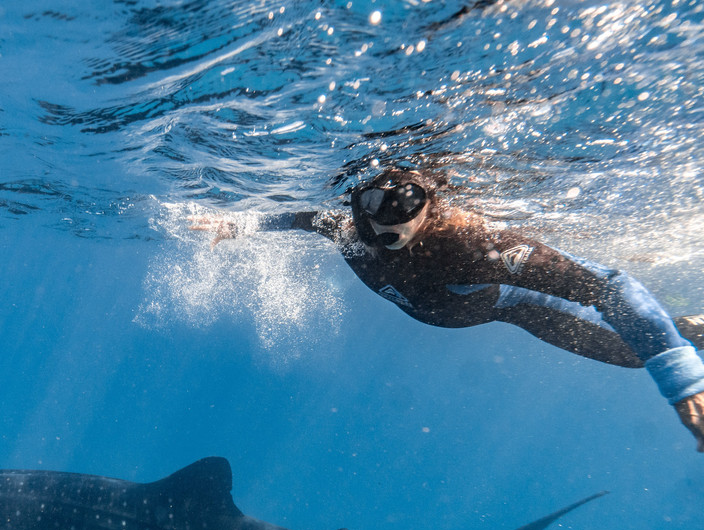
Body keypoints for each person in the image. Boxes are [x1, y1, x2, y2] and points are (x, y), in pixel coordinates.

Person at [192, 168, 704, 451]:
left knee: (633, 355)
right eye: (372, 219)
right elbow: (306, 218)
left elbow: (610, 286)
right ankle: (678, 332)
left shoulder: (472, 245)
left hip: (512, 304)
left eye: (403, 216)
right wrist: (239, 227)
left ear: (426, 212)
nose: (382, 230)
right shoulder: (349, 232)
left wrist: (681, 380)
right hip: (475, 312)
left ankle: (685, 334)